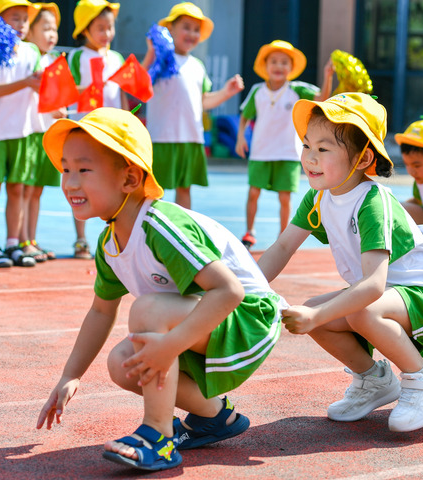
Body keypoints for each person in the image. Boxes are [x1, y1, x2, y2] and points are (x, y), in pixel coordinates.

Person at [36, 107, 286, 472]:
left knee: (147, 312)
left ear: (130, 179)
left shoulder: (160, 225)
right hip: (205, 320)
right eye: (66, 169)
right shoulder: (110, 243)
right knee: (122, 364)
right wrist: (70, 375)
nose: (70, 182)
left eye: (84, 169)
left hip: (249, 319)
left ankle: (158, 437)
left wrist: (170, 344)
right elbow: (101, 311)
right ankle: (216, 418)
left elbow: (229, 291)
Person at [258, 93, 423, 432]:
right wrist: (241, 290)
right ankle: (374, 381)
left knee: (350, 309)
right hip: (391, 296)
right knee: (319, 311)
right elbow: (282, 247)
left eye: (323, 149)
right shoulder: (319, 196)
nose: (309, 157)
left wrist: (315, 316)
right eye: (307, 145)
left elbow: (372, 286)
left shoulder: (372, 201)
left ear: (363, 158)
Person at [142, 1, 244, 209]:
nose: (192, 33)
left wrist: (227, 92)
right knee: (154, 190)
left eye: (196, 30)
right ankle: (149, 231)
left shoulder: (198, 66)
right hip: (161, 137)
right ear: (170, 29)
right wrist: (151, 54)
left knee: (184, 188)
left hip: (190, 137)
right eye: (186, 27)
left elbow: (203, 102)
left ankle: (182, 234)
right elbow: (141, 85)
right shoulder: (160, 61)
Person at [235, 40, 332, 249]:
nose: (279, 66)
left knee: (285, 198)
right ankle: (250, 231)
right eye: (274, 61)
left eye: (284, 62)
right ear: (265, 65)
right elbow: (245, 116)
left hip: (288, 153)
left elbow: (323, 98)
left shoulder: (297, 89)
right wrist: (241, 137)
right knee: (253, 192)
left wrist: (328, 76)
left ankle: (282, 236)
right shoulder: (257, 90)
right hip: (260, 152)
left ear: (291, 68)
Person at [0, 0, 42, 268]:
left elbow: (42, 87)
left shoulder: (32, 51)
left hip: (22, 131)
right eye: (15, 18)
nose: (22, 24)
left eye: (25, 19)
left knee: (17, 189)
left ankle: (13, 243)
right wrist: (27, 82)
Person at [68, 0, 126, 260]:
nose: (107, 34)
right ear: (85, 29)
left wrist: (126, 122)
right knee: (80, 183)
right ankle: (81, 239)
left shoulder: (116, 58)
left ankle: (114, 237)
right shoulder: (77, 56)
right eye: (100, 28)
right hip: (86, 129)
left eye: (109, 27)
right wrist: (95, 85)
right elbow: (68, 90)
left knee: (114, 184)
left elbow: (123, 94)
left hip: (112, 132)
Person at [22, 2, 62, 262]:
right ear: (30, 32)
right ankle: (21, 239)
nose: (52, 34)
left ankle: (31, 238)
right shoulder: (28, 56)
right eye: (45, 28)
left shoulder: (54, 59)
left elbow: (60, 94)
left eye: (55, 29)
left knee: (37, 190)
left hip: (48, 132)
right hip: (31, 132)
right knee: (25, 190)